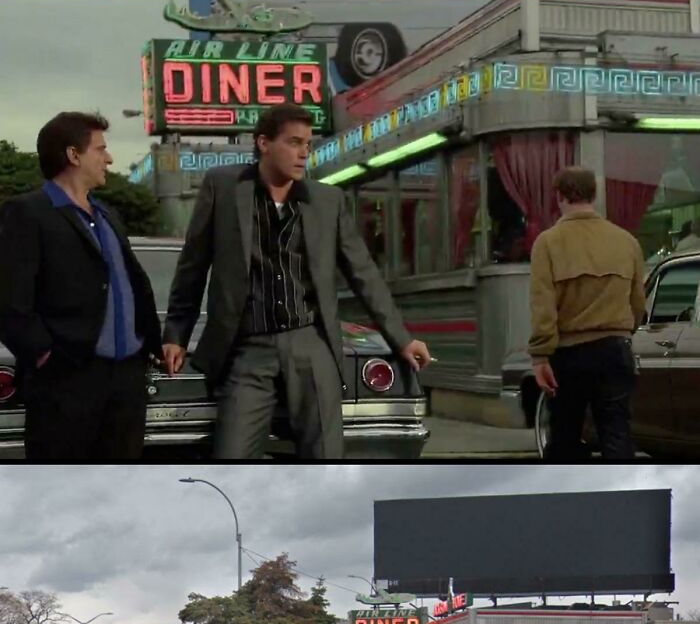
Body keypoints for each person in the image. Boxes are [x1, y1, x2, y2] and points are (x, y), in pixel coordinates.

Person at [162, 103, 430, 460]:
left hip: (310, 343)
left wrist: (401, 338)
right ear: (263, 143)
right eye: (294, 142)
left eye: (308, 144)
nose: (304, 152)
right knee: (232, 458)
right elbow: (193, 265)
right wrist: (176, 334)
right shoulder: (224, 187)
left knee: (324, 459)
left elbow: (363, 273)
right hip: (246, 348)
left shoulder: (326, 200)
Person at [0, 112, 162, 460]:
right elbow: (10, 302)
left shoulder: (108, 215)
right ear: (73, 155)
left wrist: (151, 344)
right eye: (101, 149)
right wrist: (46, 356)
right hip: (66, 383)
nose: (109, 158)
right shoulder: (27, 213)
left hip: (126, 384)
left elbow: (131, 284)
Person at [528, 166, 646, 461]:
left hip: (569, 355)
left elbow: (543, 306)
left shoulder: (548, 243)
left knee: (565, 435)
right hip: (615, 350)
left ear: (559, 196)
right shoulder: (626, 242)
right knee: (617, 434)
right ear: (594, 195)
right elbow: (637, 304)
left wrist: (541, 356)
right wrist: (622, 332)